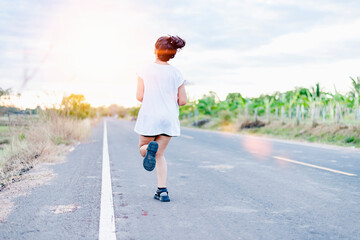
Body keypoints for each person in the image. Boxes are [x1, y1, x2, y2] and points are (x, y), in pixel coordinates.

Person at [134, 35, 187, 202]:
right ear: (172, 54)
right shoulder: (176, 73)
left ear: (156, 50)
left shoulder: (144, 69)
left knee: (145, 148)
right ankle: (162, 191)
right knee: (160, 155)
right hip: (168, 118)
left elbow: (139, 96)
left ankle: (149, 147)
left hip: (150, 116)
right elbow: (183, 101)